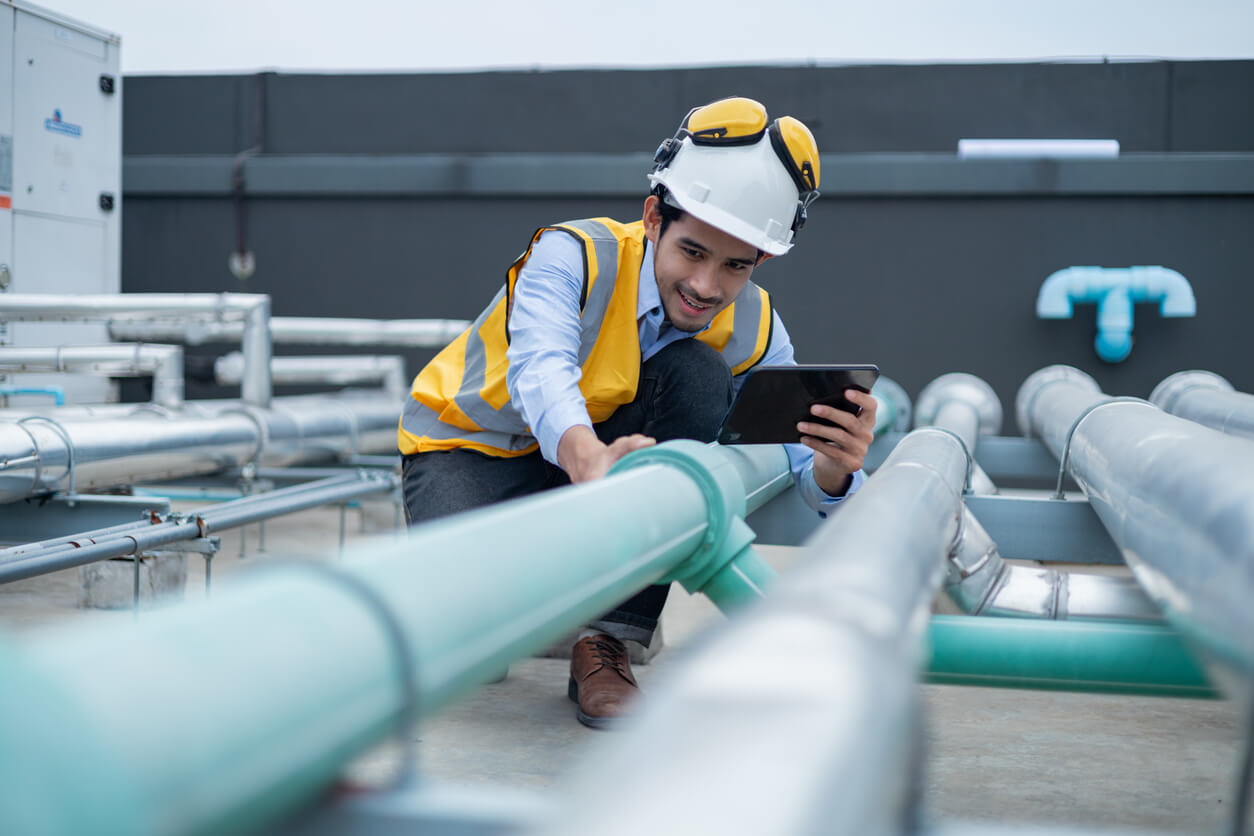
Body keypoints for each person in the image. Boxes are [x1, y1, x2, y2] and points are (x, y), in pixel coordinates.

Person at [397, 97, 878, 729]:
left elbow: (800, 468)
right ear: (653, 217)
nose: (707, 286)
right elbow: (541, 367)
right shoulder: (574, 255)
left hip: (600, 464)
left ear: (760, 262)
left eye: (735, 265)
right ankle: (512, 611)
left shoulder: (757, 327)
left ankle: (607, 638)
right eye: (693, 251)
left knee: (698, 375)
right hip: (472, 450)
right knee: (472, 646)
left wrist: (836, 471)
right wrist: (587, 458)